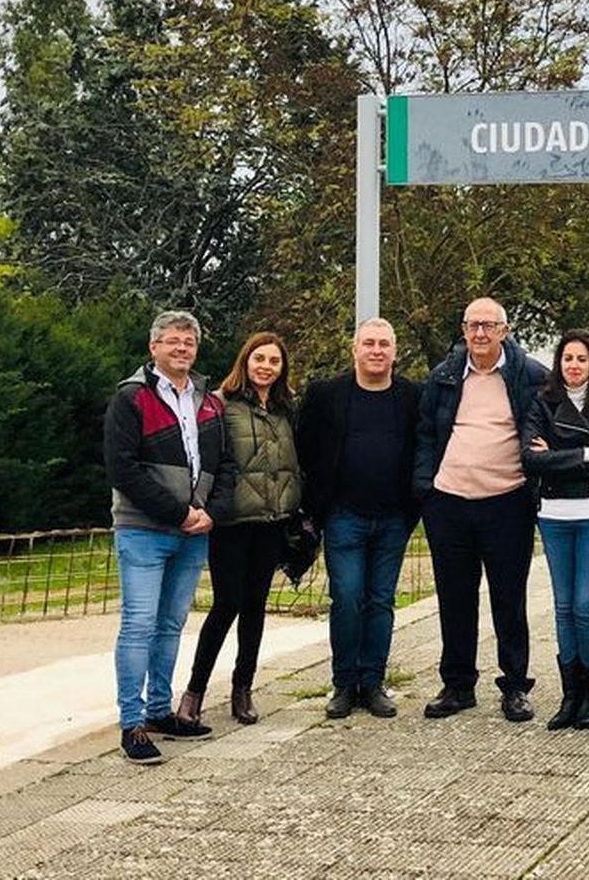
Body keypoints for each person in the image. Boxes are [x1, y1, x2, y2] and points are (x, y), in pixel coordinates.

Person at [104, 310, 236, 764]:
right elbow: (123, 469)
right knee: (138, 625)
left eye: (189, 342)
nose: (182, 348)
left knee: (171, 625)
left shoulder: (208, 402)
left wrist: (212, 513)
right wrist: (178, 512)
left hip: (195, 531)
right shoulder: (132, 398)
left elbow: (226, 466)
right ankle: (132, 723)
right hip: (144, 529)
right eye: (173, 341)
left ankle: (160, 710)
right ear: (154, 347)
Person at [415, 298, 548, 722]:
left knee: (509, 598)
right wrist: (426, 490)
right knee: (455, 598)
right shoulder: (445, 375)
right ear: (463, 330)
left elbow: (548, 425)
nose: (480, 333)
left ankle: (515, 686)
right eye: (473, 325)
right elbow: (425, 432)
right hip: (449, 502)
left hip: (507, 502)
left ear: (504, 331)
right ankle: (457, 685)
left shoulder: (531, 375)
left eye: (489, 325)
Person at [297, 317, 421, 720]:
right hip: (343, 516)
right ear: (354, 349)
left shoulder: (411, 396)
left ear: (394, 352)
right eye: (369, 343)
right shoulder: (326, 394)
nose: (376, 351)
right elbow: (305, 449)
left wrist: (412, 508)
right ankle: (344, 683)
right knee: (348, 598)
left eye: (384, 344)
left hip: (393, 518)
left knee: (381, 601)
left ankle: (373, 682)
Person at [179, 332, 302, 727]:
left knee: (255, 606)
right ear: (245, 361)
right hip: (231, 521)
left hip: (271, 520)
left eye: (274, 361)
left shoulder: (286, 409)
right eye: (259, 359)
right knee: (226, 603)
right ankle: (194, 691)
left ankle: (243, 688)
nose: (266, 367)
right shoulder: (220, 404)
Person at [521, 329, 589, 731]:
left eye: (582, 358)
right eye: (567, 358)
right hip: (553, 514)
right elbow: (529, 460)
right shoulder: (542, 399)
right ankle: (570, 696)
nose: (574, 365)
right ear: (558, 361)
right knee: (563, 607)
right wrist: (586, 454)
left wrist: (557, 456)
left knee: (585, 606)